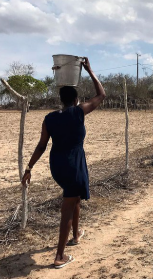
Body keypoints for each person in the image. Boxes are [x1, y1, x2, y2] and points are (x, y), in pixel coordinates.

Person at [21, 57, 106, 268]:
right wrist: (89, 70)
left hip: (57, 165)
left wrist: (29, 168)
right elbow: (101, 95)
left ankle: (76, 235)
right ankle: (59, 256)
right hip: (73, 165)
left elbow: (41, 146)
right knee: (68, 206)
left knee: (74, 197)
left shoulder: (50, 118)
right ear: (76, 99)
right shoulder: (78, 113)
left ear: (61, 100)